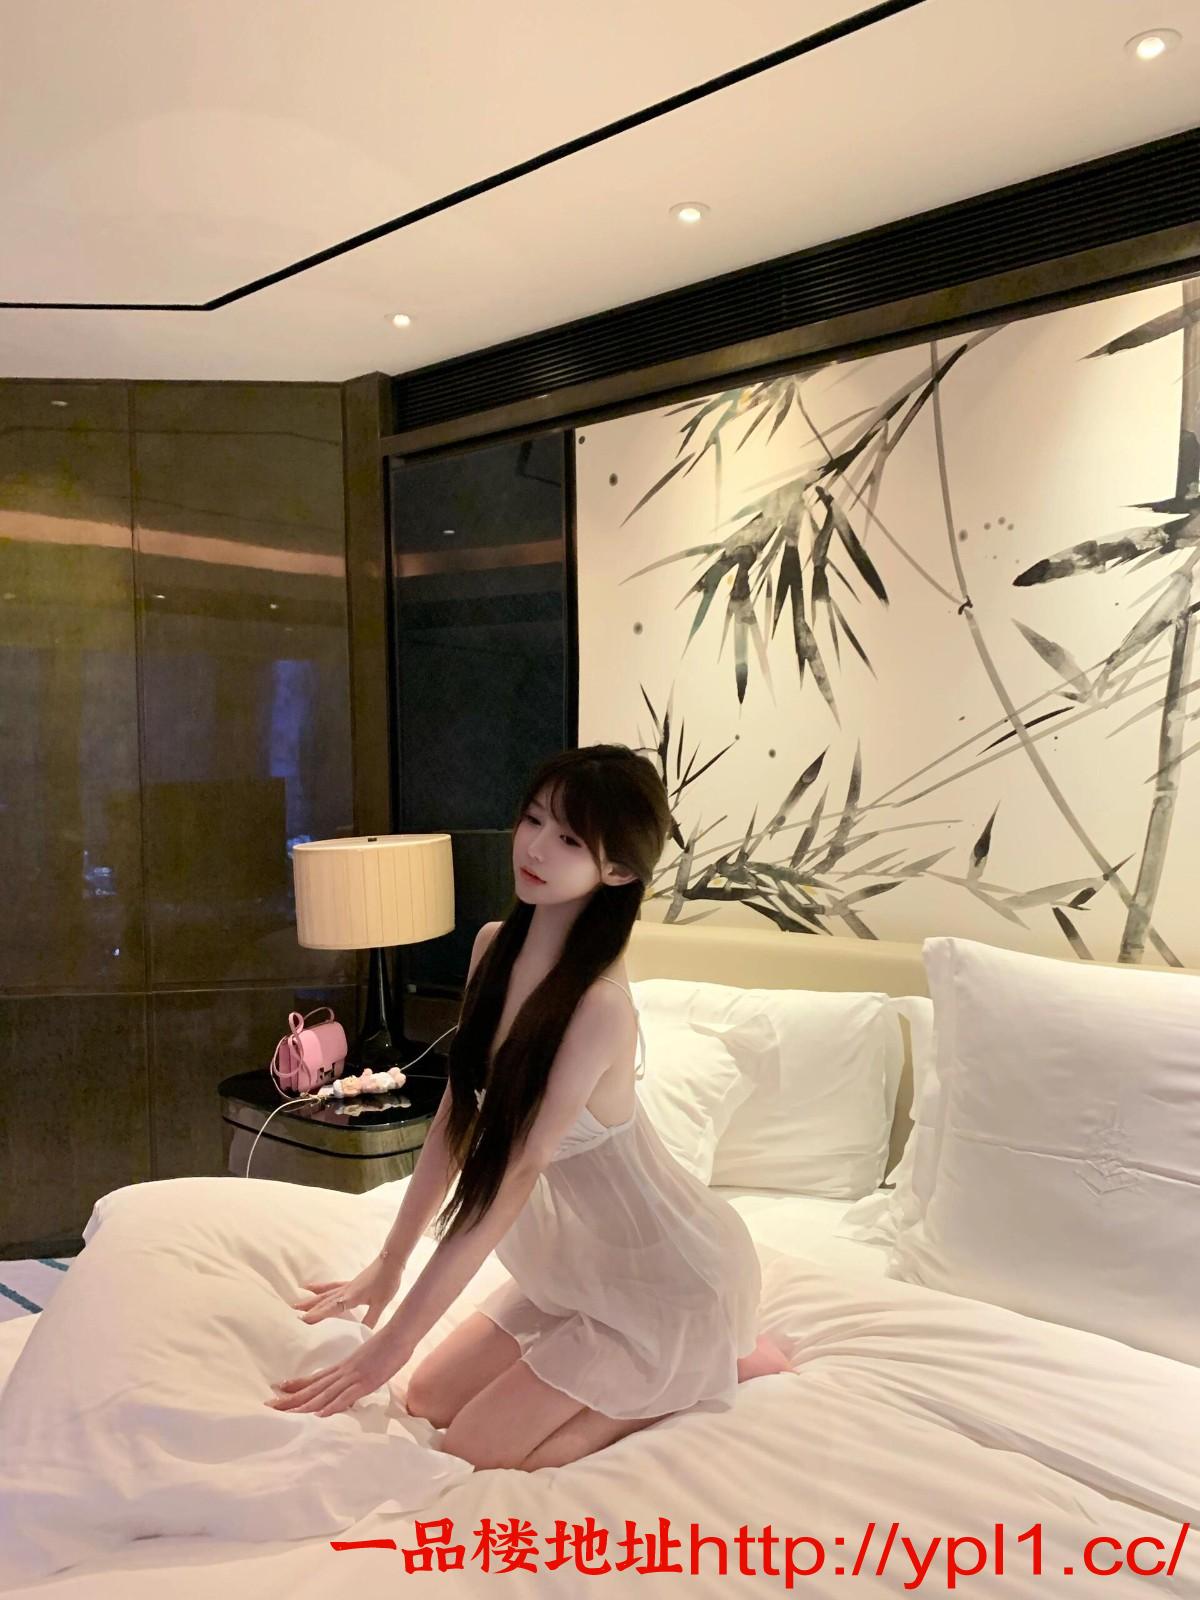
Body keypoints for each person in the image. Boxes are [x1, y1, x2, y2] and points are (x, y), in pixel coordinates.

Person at [268, 743, 788, 1469]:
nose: (536, 847)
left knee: (482, 1448)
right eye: (534, 818)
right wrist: (389, 1265)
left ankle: (705, 1366)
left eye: (570, 839)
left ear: (619, 870)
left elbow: (512, 1175)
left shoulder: (600, 1008)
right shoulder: (492, 947)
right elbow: (456, 1119)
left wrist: (392, 1345)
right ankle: (672, 1360)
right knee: (427, 1401)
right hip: (577, 1264)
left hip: (666, 1278)